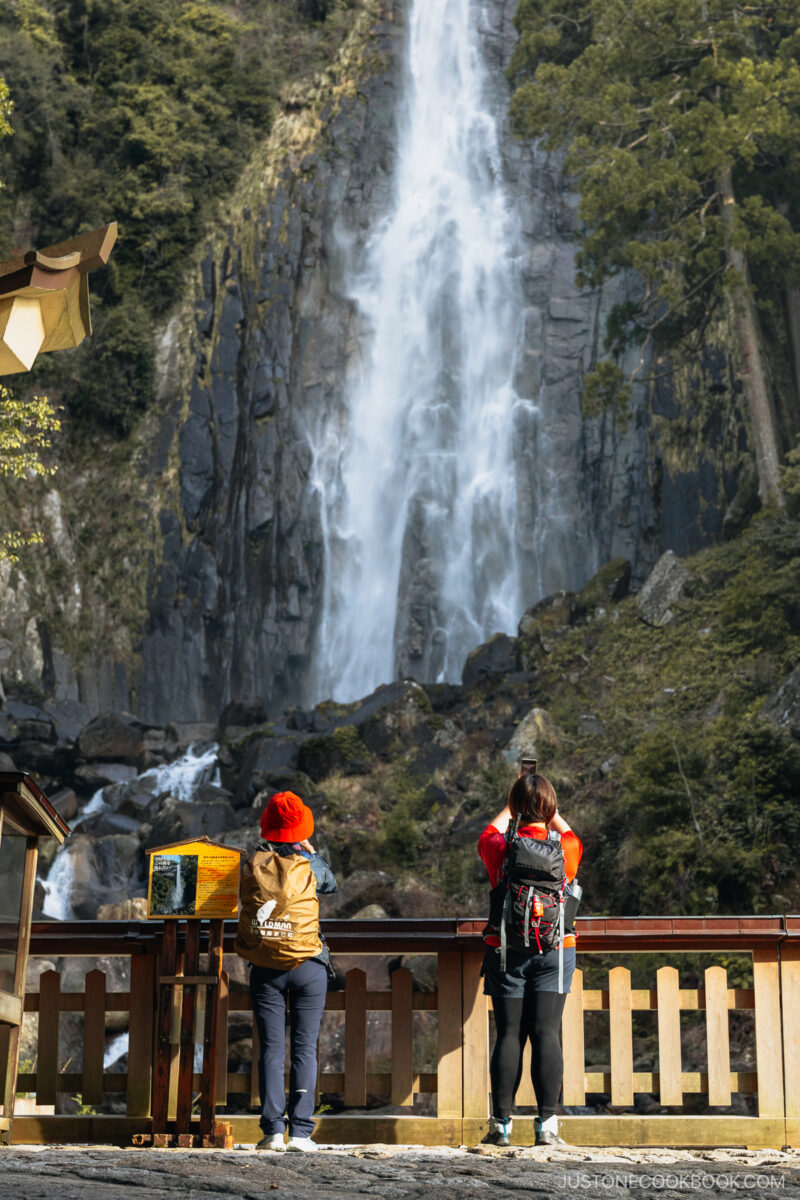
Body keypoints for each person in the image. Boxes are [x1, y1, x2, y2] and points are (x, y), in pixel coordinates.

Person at [477, 771, 582, 1148]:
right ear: (550, 807)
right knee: (546, 1033)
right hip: (555, 950)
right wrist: (547, 809)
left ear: (517, 806)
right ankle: (547, 1126)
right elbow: (570, 835)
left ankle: (501, 1126)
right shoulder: (566, 848)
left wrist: (512, 804)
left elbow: (488, 831)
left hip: (506, 949)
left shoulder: (499, 846)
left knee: (508, 1034)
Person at [239, 790, 337, 1152]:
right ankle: (300, 1133)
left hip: (265, 967)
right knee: (304, 1049)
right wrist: (309, 851)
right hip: (308, 964)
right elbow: (330, 883)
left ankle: (272, 1132)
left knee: (269, 1049)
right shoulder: (312, 865)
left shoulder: (253, 864)